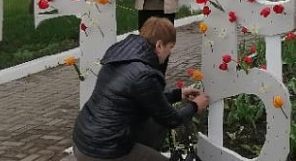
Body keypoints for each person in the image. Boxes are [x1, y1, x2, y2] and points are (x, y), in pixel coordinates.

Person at [72, 17, 210, 161]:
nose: (170, 53)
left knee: (154, 125)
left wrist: (178, 94)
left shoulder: (121, 56)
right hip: (103, 150)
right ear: (159, 46)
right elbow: (171, 119)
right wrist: (195, 106)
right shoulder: (143, 74)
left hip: (85, 139)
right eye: (170, 48)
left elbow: (148, 99)